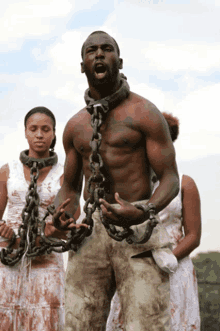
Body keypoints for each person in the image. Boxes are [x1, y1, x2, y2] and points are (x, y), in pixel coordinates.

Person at [52, 31, 180, 331]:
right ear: (82, 65)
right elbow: (69, 187)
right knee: (78, 323)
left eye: (107, 49)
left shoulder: (145, 113)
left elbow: (170, 178)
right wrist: (62, 214)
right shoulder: (74, 126)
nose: (99, 54)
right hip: (90, 231)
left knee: (147, 324)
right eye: (91, 51)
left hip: (138, 226)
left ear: (119, 61)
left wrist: (145, 210)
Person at [107, 112, 201, 330]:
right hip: (135, 271)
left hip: (174, 271)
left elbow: (194, 235)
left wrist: (166, 258)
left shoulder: (185, 183)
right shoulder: (127, 184)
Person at [0, 106, 79, 331]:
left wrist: (55, 230)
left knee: (46, 321)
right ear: (25, 132)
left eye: (46, 129)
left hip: (46, 261)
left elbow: (72, 219)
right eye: (33, 129)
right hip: (9, 257)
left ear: (54, 133)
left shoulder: (65, 175)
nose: (39, 134)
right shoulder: (7, 171)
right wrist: (3, 231)